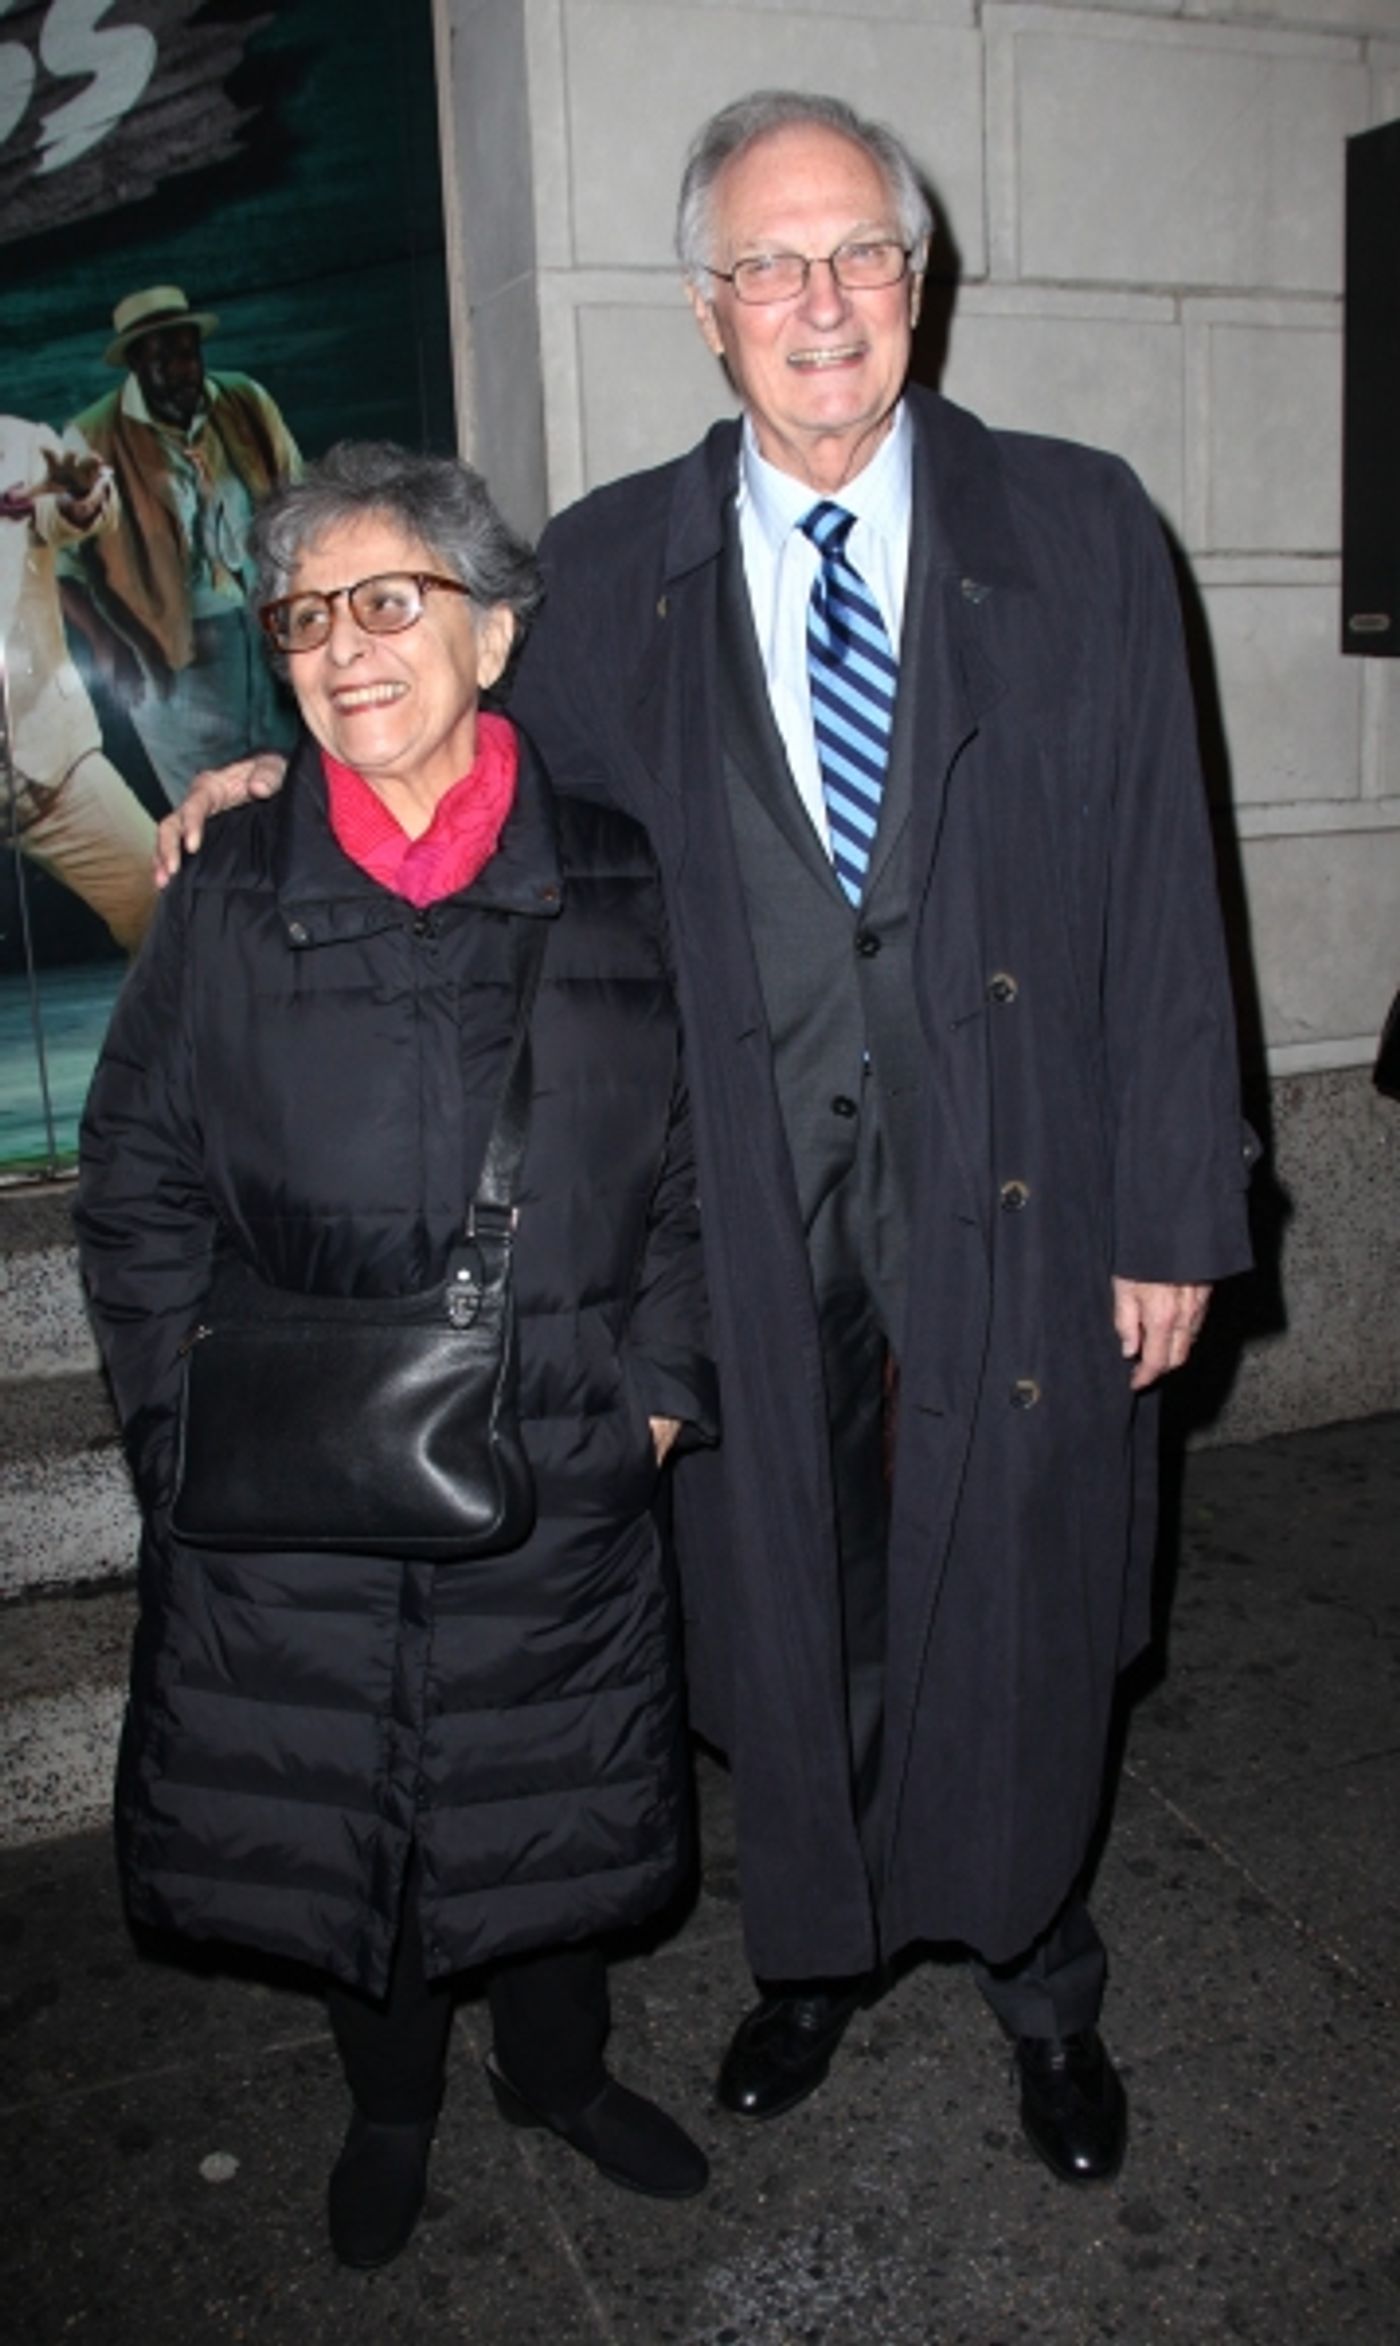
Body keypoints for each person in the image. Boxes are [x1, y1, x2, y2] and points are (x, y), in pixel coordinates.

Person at [157, 90, 1255, 2188]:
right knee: (788, 1585)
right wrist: (261, 794)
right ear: (704, 311)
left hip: (1021, 1174)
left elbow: (1160, 883)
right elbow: (451, 765)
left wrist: (1174, 1209)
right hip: (746, 1203)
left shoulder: (1085, 524)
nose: (817, 301)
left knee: (1018, 1572)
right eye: (770, 265)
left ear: (915, 290)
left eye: (857, 255)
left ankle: (1039, 1975)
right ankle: (818, 1948)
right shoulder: (605, 570)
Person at [76, 441, 716, 2272]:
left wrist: (657, 1396)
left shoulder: (611, 872)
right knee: (349, 1808)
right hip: (291, 1472)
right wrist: (175, 1417)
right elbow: (134, 1186)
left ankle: (562, 2072)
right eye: (304, 619)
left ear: (493, 633)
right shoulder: (224, 880)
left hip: (562, 1452)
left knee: (553, 1794)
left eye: (390, 601)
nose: (346, 650)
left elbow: (699, 1170)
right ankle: (393, 2100)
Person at [65, 285, 300, 805]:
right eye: (161, 359)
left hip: (267, 630)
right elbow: (59, 565)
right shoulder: (91, 439)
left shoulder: (245, 401)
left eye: (188, 353)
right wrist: (109, 647)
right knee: (210, 807)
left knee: (287, 788)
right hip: (173, 655)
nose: (182, 370)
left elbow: (297, 500)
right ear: (133, 364)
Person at [0, 415, 155, 951]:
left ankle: (167, 1035)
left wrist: (81, 498)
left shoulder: (22, 446)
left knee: (163, 900)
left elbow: (72, 510)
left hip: (48, 760)